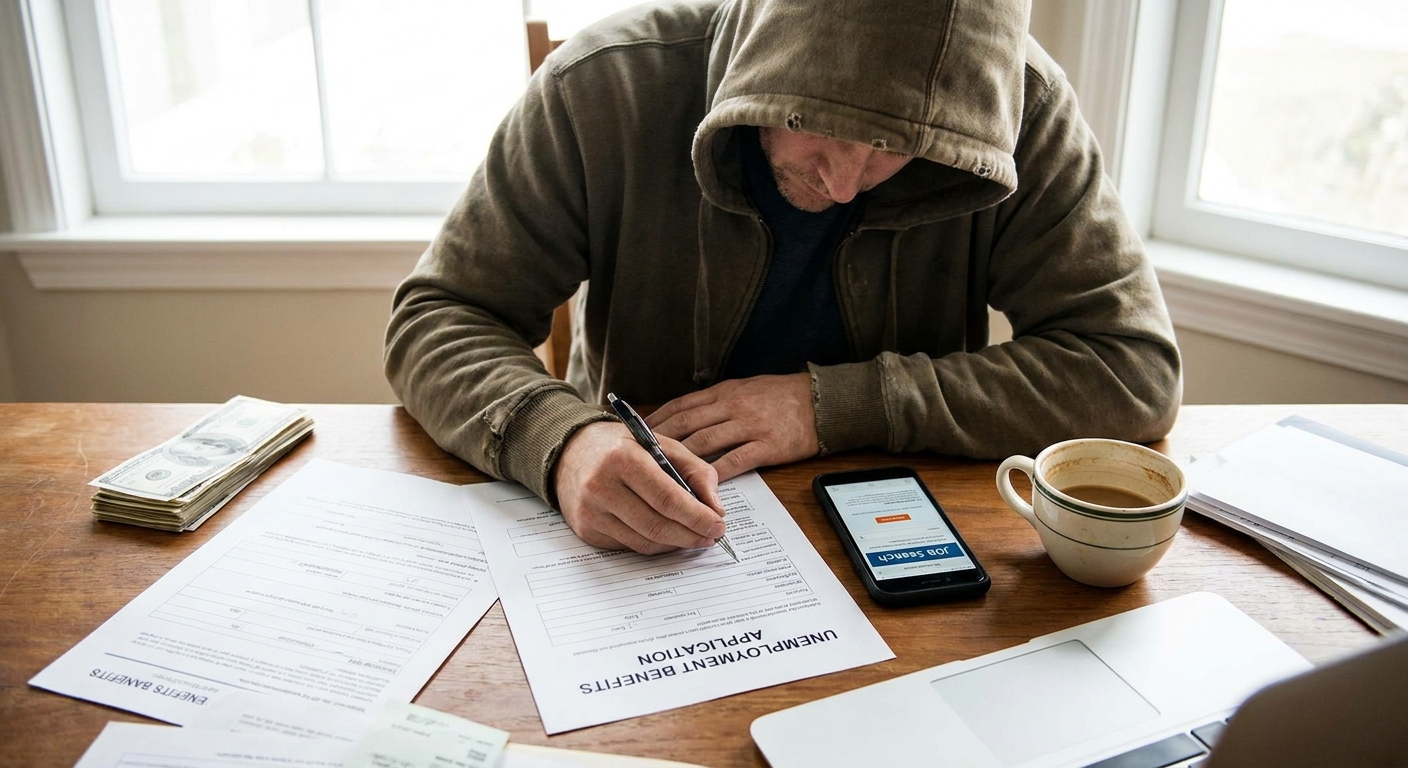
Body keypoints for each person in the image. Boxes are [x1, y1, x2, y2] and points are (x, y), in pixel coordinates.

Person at [384, 0, 1182, 556]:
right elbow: (441, 315)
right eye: (816, 125)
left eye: (897, 149)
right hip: (633, 534)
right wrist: (561, 441)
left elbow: (1131, 369)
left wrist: (830, 406)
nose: (843, 183)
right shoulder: (602, 86)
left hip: (896, 536)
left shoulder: (1021, 114)